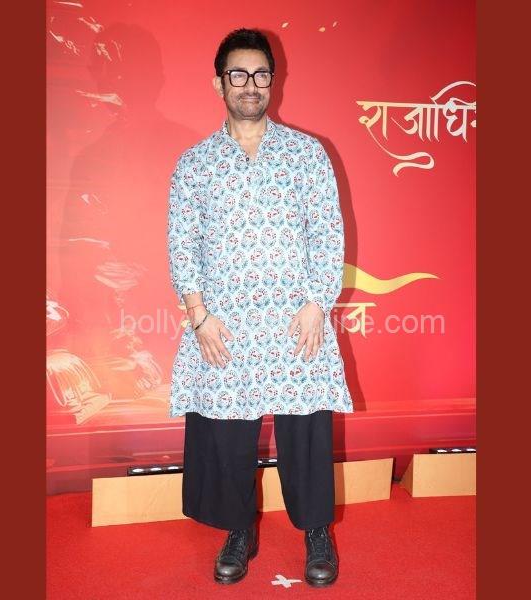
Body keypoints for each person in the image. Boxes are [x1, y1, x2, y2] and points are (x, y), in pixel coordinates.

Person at [166, 28, 353, 587]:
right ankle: (238, 529)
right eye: (238, 74)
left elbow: (328, 234)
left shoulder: (307, 154)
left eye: (261, 74)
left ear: (274, 81)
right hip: (224, 323)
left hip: (297, 319)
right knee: (227, 432)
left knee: (307, 429)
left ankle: (316, 532)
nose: (251, 85)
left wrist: (317, 304)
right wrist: (199, 316)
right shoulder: (195, 164)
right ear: (218, 83)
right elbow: (182, 243)